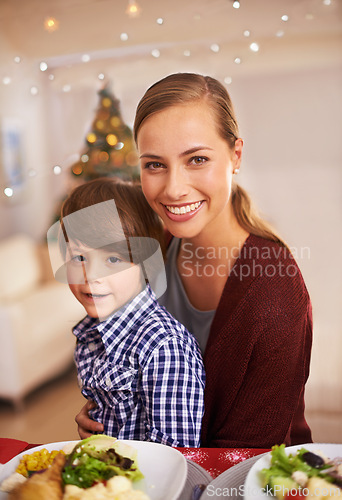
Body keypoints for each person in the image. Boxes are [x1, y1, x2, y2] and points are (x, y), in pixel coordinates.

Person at [75, 73, 313, 448]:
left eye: (197, 159)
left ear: (235, 156)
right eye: (154, 164)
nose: (173, 188)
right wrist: (106, 413)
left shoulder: (275, 293)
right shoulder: (153, 246)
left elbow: (245, 457)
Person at [52, 177, 205, 447]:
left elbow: (175, 458)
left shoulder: (163, 348)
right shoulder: (92, 330)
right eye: (78, 258)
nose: (91, 276)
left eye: (112, 259)